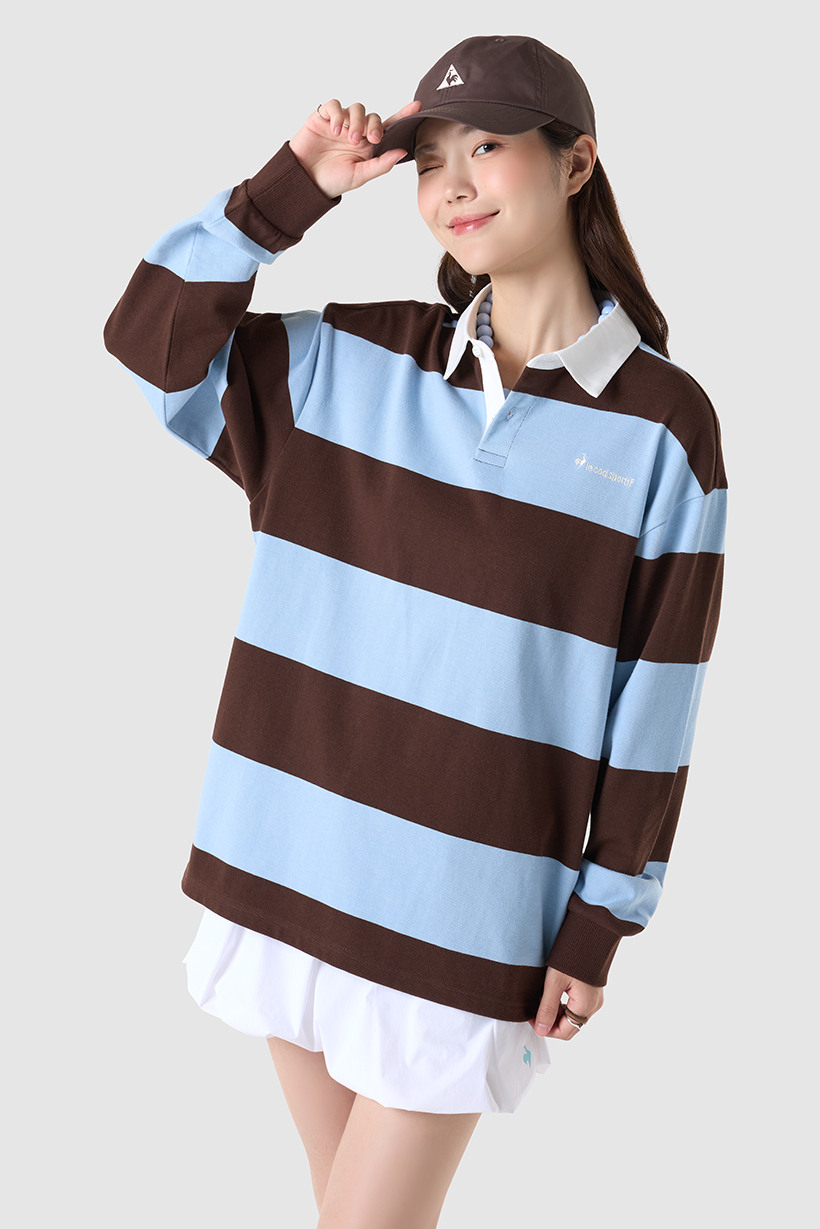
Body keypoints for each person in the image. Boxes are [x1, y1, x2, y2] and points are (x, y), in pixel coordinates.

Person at [103, 33, 727, 1228]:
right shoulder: (349, 360)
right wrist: (289, 189)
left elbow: (658, 694)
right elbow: (150, 345)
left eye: (485, 147)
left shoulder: (664, 427)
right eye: (429, 159)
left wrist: (601, 919)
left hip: (467, 909)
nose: (451, 184)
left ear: (577, 162)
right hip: (289, 859)